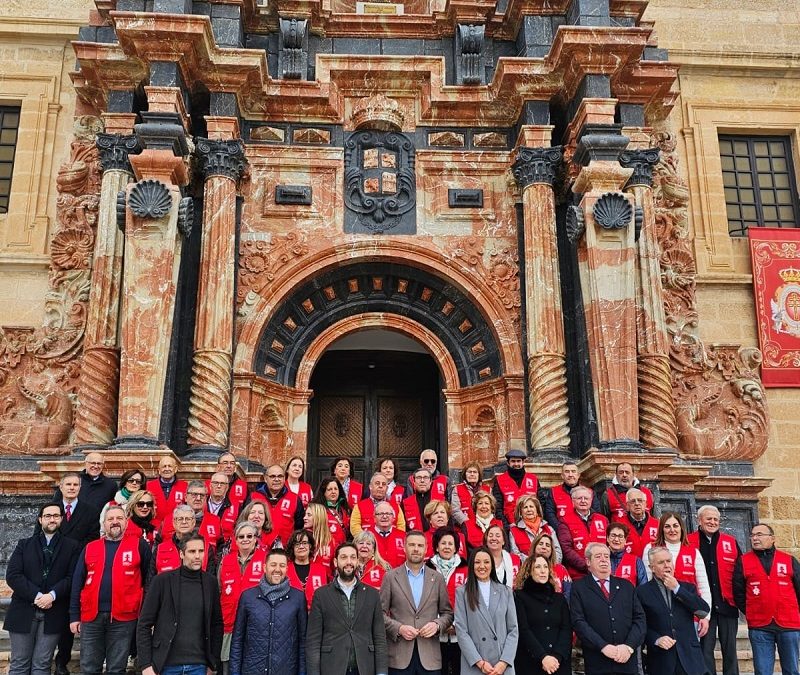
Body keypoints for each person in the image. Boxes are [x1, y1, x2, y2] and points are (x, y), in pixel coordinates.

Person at [69, 505, 151, 675]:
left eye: (119, 518)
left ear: (126, 522)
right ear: (104, 524)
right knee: (89, 667)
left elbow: (148, 581)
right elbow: (77, 583)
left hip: (124, 617)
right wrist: (74, 616)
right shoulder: (90, 547)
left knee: (116, 668)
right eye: (110, 519)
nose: (115, 522)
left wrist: (144, 614)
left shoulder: (139, 546)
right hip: (91, 617)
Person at [5, 503, 80, 675]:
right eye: (47, 516)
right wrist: (38, 596)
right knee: (19, 664)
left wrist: (51, 596)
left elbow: (72, 578)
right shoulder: (24, 545)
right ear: (40, 519)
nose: (52, 519)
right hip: (23, 610)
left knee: (42, 664)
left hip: (54, 611)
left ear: (61, 519)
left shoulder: (72, 546)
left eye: (55, 515)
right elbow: (13, 575)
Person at [137, 534, 223, 675]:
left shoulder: (211, 582)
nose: (197, 556)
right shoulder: (161, 581)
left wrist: (213, 663)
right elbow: (144, 624)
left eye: (201, 551)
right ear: (181, 554)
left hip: (199, 665)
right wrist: (145, 664)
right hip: (166, 664)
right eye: (192, 551)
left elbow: (217, 624)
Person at [306, 542, 389, 675]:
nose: (348, 562)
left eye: (352, 557)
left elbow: (379, 637)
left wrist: (382, 672)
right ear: (335, 561)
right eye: (344, 557)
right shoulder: (321, 595)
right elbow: (313, 640)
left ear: (357, 561)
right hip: (332, 668)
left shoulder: (372, 594)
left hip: (364, 668)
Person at [380, 530, 454, 675]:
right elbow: (379, 614)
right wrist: (399, 628)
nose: (416, 549)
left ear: (426, 549)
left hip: (430, 658)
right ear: (404, 547)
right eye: (412, 545)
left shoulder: (437, 578)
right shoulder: (390, 577)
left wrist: (437, 625)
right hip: (399, 657)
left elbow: (448, 613)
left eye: (420, 545)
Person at [733, 523, 800, 675]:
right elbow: (738, 594)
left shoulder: (789, 560)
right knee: (762, 671)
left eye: (759, 534)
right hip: (760, 626)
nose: (755, 538)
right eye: (752, 535)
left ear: (772, 538)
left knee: (791, 670)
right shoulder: (743, 562)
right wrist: (752, 610)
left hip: (788, 624)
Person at [570, 543, 645, 675]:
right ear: (588, 561)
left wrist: (628, 647)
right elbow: (578, 621)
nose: (604, 560)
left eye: (606, 556)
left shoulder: (626, 586)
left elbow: (639, 619)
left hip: (626, 660)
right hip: (597, 661)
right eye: (598, 556)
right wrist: (603, 646)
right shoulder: (579, 587)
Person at [229, 548, 307, 675]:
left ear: (287, 569)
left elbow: (302, 644)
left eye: (282, 565)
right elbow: (237, 641)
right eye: (273, 565)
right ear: (265, 568)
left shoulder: (298, 598)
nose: (277, 569)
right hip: (252, 670)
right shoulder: (248, 597)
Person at [636, 546, 709, 675]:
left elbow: (703, 611)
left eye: (668, 561)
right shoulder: (642, 592)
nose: (666, 565)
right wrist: (656, 639)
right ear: (652, 568)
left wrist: (677, 589)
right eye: (660, 562)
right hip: (661, 660)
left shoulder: (687, 588)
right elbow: (640, 625)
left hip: (690, 659)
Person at [688, 505, 742, 675]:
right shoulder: (689, 541)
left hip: (727, 604)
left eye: (715, 519)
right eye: (708, 518)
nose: (712, 522)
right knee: (705, 649)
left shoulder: (730, 542)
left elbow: (740, 573)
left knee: (730, 650)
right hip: (702, 606)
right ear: (699, 520)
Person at [642, 511, 711, 638]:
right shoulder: (650, 548)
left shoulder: (693, 552)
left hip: (690, 617)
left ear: (681, 528)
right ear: (662, 529)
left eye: (675, 525)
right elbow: (646, 582)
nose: (672, 530)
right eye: (667, 526)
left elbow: (703, 587)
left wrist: (705, 617)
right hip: (660, 618)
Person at [453, 546, 519, 675]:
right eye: (477, 562)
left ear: (492, 565)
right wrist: (479, 662)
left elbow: (513, 630)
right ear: (471, 565)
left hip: (501, 666)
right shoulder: (462, 592)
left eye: (486, 562)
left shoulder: (505, 592)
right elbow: (461, 631)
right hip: (475, 664)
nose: (482, 566)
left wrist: (504, 662)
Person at [217, 522, 267, 675]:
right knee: (227, 667)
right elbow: (219, 589)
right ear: (236, 540)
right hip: (229, 625)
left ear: (255, 540)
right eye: (241, 536)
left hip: (256, 626)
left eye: (249, 536)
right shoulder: (225, 561)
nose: (245, 539)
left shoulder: (265, 560)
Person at [513, 553, 572, 675]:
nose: (542, 571)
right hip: (531, 663)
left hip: (558, 664)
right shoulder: (519, 597)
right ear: (529, 571)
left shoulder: (559, 599)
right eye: (538, 567)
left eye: (545, 567)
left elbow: (566, 629)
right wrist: (543, 657)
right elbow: (523, 629)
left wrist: (556, 657)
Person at [426, 527, 468, 675]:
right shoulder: (427, 568)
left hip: (459, 632)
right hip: (434, 632)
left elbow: (468, 600)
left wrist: (455, 624)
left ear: (456, 547)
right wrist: (440, 624)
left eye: (451, 544)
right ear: (436, 546)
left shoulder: (465, 568)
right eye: (443, 543)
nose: (447, 547)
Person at [556, 486, 609, 580]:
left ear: (591, 500)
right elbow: (566, 548)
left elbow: (609, 544)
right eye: (579, 498)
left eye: (586, 498)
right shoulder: (565, 521)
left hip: (603, 574)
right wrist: (587, 566)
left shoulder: (603, 520)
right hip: (578, 575)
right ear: (573, 501)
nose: (583, 501)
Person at [150, 505, 212, 580]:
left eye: (188, 519)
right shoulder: (160, 549)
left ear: (194, 522)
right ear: (174, 522)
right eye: (180, 519)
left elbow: (211, 578)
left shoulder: (205, 547)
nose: (184, 522)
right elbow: (150, 580)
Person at [251, 464, 304, 546]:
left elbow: (299, 527)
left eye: (280, 476)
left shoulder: (295, 499)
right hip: (258, 549)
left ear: (284, 478)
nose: (276, 479)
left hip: (285, 551)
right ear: (265, 478)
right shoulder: (254, 497)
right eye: (272, 476)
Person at [492, 449, 539, 529]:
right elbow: (497, 506)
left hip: (532, 525)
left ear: (523, 462)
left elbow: (540, 503)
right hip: (510, 525)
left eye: (518, 461)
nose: (516, 464)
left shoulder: (533, 479)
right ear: (508, 463)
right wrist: (506, 525)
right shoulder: (500, 480)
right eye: (513, 461)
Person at [542, 461, 599, 526]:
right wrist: (561, 529)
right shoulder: (553, 492)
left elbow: (596, 513)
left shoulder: (589, 492)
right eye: (567, 472)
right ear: (562, 476)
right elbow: (550, 514)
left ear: (578, 475)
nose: (570, 475)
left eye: (573, 471)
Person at [508, 495, 561, 562]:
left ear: (537, 510)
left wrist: (546, 566)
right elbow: (515, 555)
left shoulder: (549, 529)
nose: (529, 509)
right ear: (520, 512)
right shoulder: (513, 531)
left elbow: (558, 552)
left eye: (531, 506)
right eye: (525, 507)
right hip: (525, 570)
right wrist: (534, 564)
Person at [55, 472, 100, 549]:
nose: (72, 488)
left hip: (79, 556)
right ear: (61, 487)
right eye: (68, 484)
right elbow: (39, 534)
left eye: (75, 485)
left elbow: (93, 538)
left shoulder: (91, 511)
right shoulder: (50, 509)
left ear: (80, 487)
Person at [286, 529, 328, 609]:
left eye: (304, 543)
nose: (301, 547)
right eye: (297, 544)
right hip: (291, 616)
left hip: (315, 615)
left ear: (310, 546)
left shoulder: (321, 569)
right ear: (293, 548)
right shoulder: (285, 569)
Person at [146, 456, 187, 532]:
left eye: (170, 466)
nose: (167, 469)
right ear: (159, 470)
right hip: (153, 528)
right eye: (164, 466)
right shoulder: (148, 486)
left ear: (175, 469)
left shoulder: (185, 486)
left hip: (177, 529)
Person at [529, 533, 572, 600]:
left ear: (551, 550)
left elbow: (568, 592)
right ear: (534, 547)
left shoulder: (561, 569)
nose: (544, 547)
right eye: (540, 544)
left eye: (548, 545)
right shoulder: (527, 568)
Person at [305, 502, 344, 573]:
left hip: (326, 582)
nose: (304, 518)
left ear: (318, 517)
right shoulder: (302, 538)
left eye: (309, 515)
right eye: (305, 515)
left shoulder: (331, 542)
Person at [619, 488, 658, 558]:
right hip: (629, 566)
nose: (637, 504)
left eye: (640, 500)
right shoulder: (619, 525)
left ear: (645, 504)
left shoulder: (657, 525)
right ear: (627, 506)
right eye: (633, 501)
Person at [606, 523, 647, 587]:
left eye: (620, 536)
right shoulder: (601, 559)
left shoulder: (636, 561)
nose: (616, 539)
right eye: (613, 535)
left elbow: (643, 588)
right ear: (607, 538)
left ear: (625, 540)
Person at [368, 501, 407, 567]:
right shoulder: (366, 536)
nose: (385, 516)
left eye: (388, 514)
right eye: (380, 514)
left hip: (398, 575)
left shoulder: (404, 537)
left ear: (393, 518)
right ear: (374, 518)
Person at [207, 471, 240, 544]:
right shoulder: (202, 503)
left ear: (227, 487)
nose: (219, 486)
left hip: (224, 546)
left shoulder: (236, 506)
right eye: (216, 483)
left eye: (222, 484)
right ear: (210, 485)